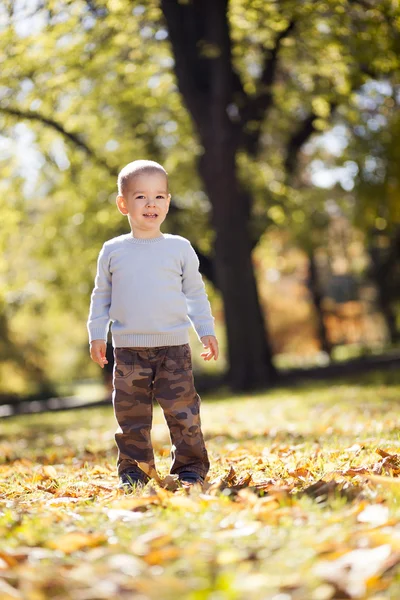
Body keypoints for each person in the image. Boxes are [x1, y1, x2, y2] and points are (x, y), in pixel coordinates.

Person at [87, 159, 219, 491]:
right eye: (141, 197)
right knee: (131, 418)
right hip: (129, 350)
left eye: (159, 197)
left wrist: (206, 330)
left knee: (183, 413)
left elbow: (195, 294)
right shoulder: (113, 251)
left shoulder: (179, 248)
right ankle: (134, 472)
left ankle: (191, 467)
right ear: (123, 204)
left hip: (173, 348)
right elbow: (101, 296)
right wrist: (96, 335)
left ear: (168, 202)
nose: (151, 204)